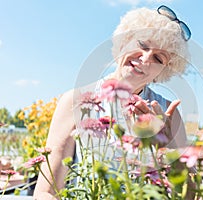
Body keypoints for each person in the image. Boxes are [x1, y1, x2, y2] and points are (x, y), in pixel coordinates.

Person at [33, 5, 191, 199]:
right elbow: (45, 192)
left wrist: (165, 145)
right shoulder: (75, 101)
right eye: (142, 44)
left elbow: (189, 194)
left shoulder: (168, 113)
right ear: (124, 41)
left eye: (158, 58)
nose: (146, 58)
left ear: (163, 72)